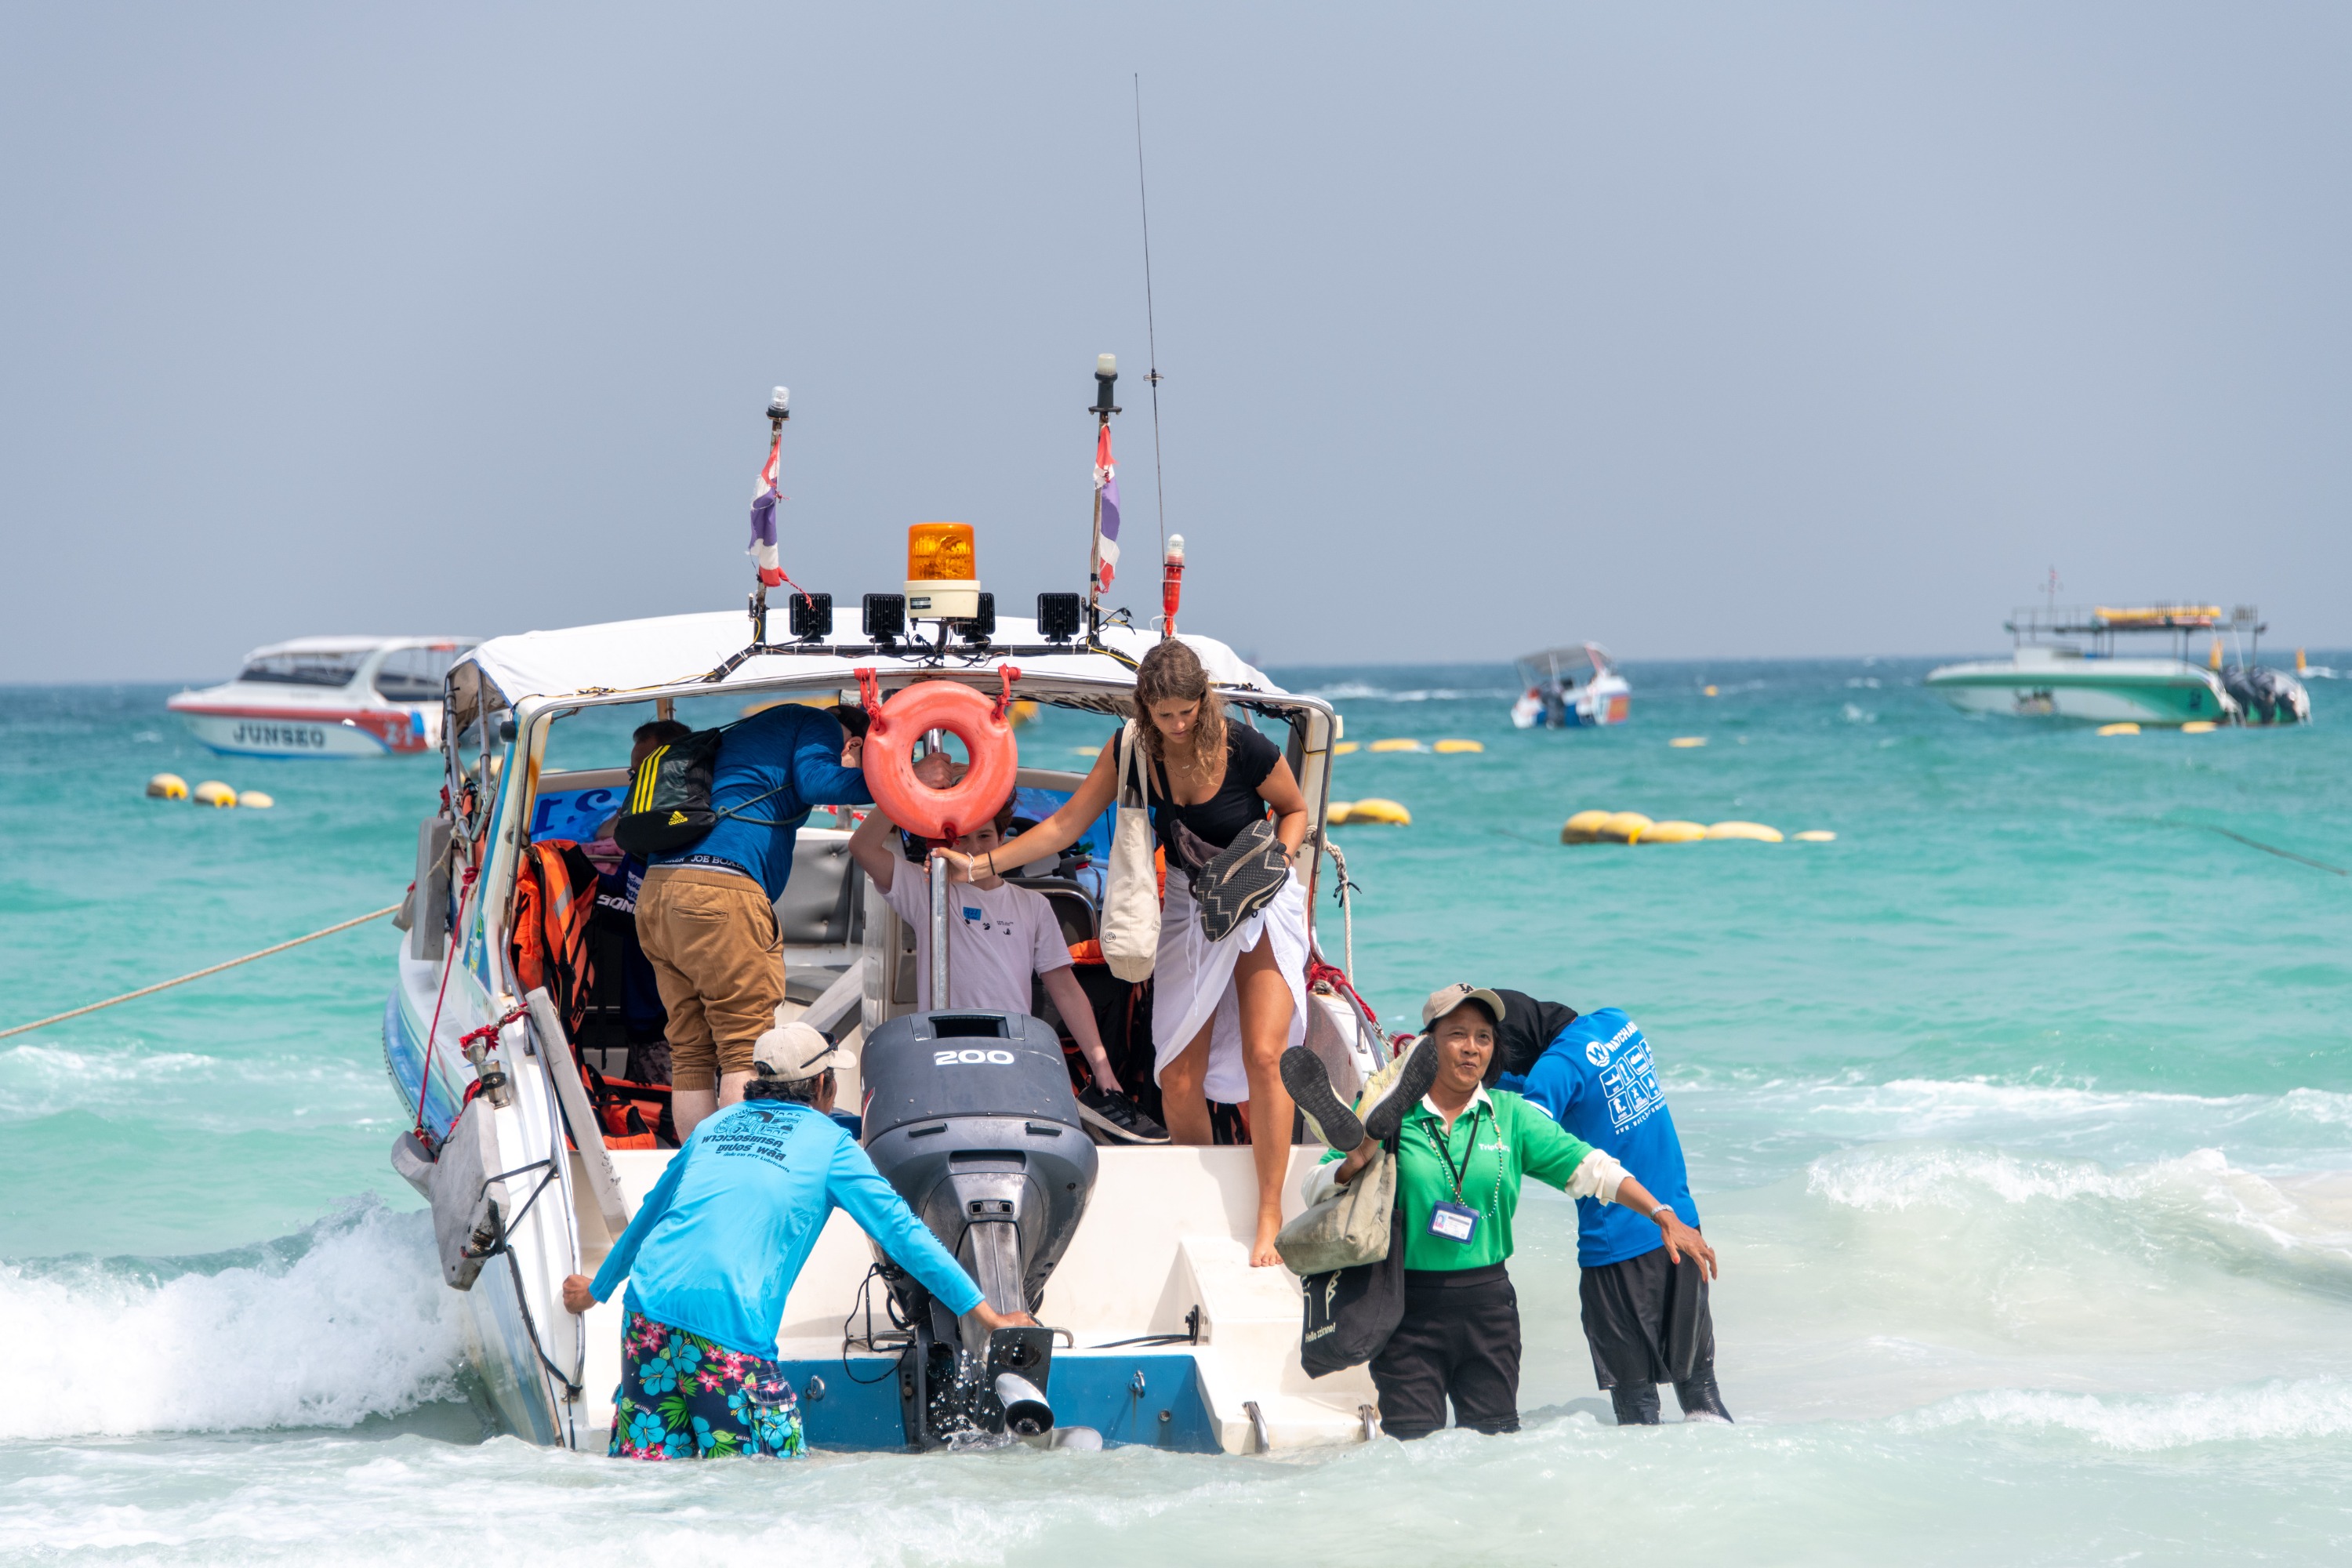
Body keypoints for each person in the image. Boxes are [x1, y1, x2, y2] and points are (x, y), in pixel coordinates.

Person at [942, 638, 1310, 1265]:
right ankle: (1200, 1196)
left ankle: (1270, 1210)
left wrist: (1273, 862)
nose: (1176, 725)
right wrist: (984, 866)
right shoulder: (1131, 750)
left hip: (1260, 899)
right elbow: (1064, 826)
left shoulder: (1241, 746)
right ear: (1145, 709)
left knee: (1266, 1053)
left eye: (1187, 711)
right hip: (1190, 907)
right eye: (1164, 715)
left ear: (1204, 700)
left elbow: (1296, 809)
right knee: (1177, 1075)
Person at [561, 1020, 1034, 1459]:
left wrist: (596, 1290)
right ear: (822, 1086)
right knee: (770, 1486)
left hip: (647, 1314)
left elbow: (651, 1213)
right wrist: (988, 1315)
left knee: (654, 1481)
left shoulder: (712, 1128)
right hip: (726, 1326)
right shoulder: (831, 1144)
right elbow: (906, 1236)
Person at [1290, 984, 1718, 1441]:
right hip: (1405, 1308)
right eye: (1457, 1034)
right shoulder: (1389, 1114)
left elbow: (1592, 1169)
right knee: (1412, 1451)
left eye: (1484, 1037)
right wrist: (1349, 1166)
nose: (1472, 1047)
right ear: (1428, 1045)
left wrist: (1661, 1213)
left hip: (1488, 1311)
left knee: (1494, 1452)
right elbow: (1311, 1187)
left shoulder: (1509, 1115)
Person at [848, 763, 1169, 1143]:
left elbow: (1065, 989)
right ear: (945, 843)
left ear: (1003, 840)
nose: (973, 849)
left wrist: (1101, 1065)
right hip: (943, 1054)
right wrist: (907, 787)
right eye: (961, 839)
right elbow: (862, 846)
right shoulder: (926, 892)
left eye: (985, 837)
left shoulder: (1032, 906)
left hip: (1011, 1054)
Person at [1491, 990, 1732, 1425]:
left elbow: (1530, 1133)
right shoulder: (1617, 1023)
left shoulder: (1555, 1071)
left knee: (1637, 1407)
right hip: (1680, 1229)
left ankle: (1649, 1492)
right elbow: (1573, 1083)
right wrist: (1502, 1081)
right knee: (1700, 1391)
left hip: (1619, 1248)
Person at [634, 702, 872, 1137]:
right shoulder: (817, 722)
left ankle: (698, 1171)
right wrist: (905, 781)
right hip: (719, 893)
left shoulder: (754, 731)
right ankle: (733, 1170)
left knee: (690, 1050)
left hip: (658, 891)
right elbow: (819, 781)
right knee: (743, 1049)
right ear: (855, 743)